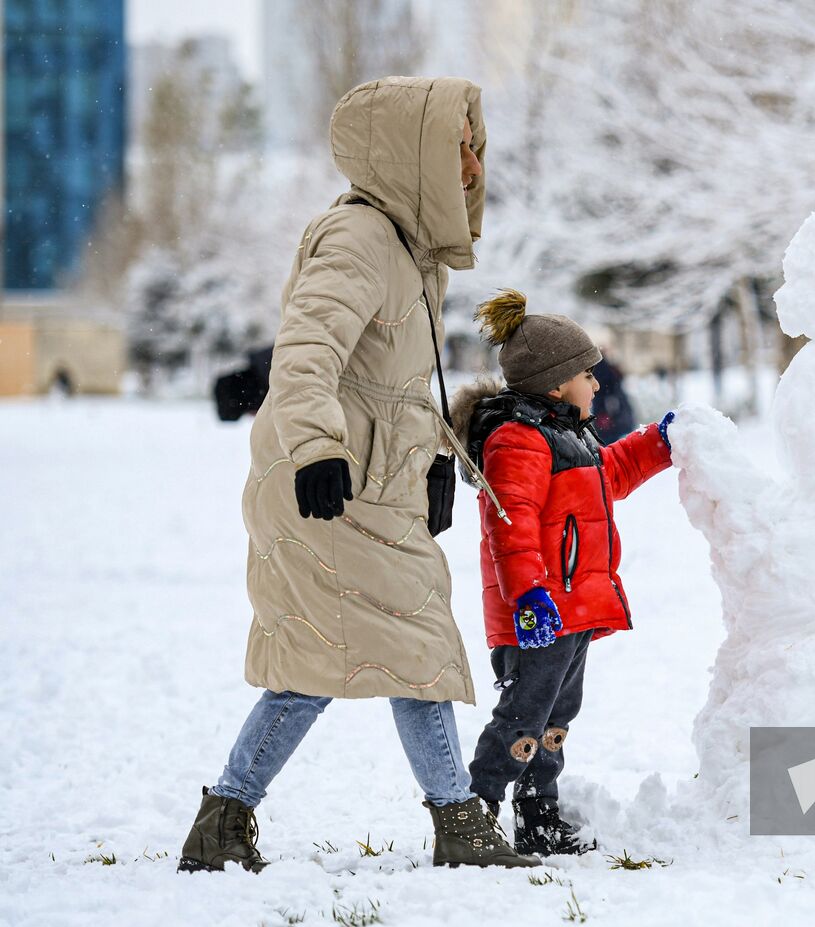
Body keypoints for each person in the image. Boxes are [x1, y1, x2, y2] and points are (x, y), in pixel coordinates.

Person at [178, 76, 543, 873]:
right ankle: (457, 823)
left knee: (362, 653)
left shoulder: (407, 250)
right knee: (392, 648)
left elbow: (392, 386)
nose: (473, 167)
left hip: (374, 484)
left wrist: (436, 462)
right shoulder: (358, 240)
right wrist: (315, 449)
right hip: (329, 484)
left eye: (475, 149)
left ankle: (228, 820)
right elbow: (307, 353)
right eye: (459, 147)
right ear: (409, 156)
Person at [449, 289, 674, 856]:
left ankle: (539, 819)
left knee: (554, 717)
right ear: (555, 382)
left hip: (570, 608)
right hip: (538, 612)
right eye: (587, 374)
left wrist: (658, 443)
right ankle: (474, 815)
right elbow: (512, 525)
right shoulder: (517, 440)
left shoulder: (568, 434)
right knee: (522, 718)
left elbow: (611, 474)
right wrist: (528, 596)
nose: (597, 385)